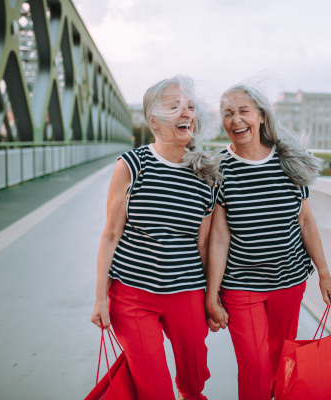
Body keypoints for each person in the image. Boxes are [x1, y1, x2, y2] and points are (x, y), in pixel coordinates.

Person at [205, 83, 331, 400]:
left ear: (261, 116)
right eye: (228, 114)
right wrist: (212, 294)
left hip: (289, 281)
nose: (236, 120)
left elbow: (305, 220)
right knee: (253, 366)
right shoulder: (218, 168)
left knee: (281, 362)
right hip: (241, 284)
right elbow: (219, 236)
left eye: (243, 111)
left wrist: (324, 273)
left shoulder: (290, 161)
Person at [90, 75, 221, 400]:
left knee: (193, 381)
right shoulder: (132, 165)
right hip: (133, 295)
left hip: (186, 290)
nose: (186, 113)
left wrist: (210, 297)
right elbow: (110, 234)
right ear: (154, 121)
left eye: (190, 106)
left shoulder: (206, 173)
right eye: (175, 106)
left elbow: (203, 244)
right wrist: (100, 298)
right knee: (155, 390)